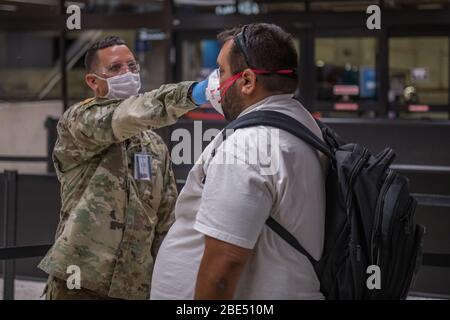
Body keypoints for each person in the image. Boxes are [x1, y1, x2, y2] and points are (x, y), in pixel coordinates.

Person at [150, 23, 328, 300]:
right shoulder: (303, 124)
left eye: (220, 71)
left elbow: (226, 262)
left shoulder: (249, 144)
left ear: (247, 81)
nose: (214, 84)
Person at [38, 36, 208, 300]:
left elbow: (166, 221)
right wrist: (192, 94)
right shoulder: (79, 122)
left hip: (135, 287)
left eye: (132, 66)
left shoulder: (154, 145)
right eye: (115, 68)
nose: (127, 73)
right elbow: (124, 117)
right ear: (93, 81)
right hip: (80, 282)